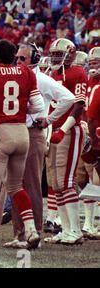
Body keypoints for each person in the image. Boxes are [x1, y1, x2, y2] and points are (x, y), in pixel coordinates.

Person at [3, 43, 75, 248]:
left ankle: (34, 233)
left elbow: (68, 98)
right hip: (17, 131)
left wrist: (49, 119)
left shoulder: (41, 79)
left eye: (22, 59)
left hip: (33, 133)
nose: (17, 62)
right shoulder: (17, 76)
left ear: (33, 59)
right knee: (15, 184)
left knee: (32, 183)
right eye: (16, 58)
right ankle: (20, 234)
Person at [0, 39, 44, 250]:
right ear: (14, 56)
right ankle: (30, 229)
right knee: (16, 186)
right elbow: (39, 107)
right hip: (22, 132)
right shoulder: (27, 73)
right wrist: (20, 111)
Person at [44, 38, 89, 245]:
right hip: (55, 130)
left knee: (68, 181)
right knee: (57, 183)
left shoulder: (78, 72)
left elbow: (78, 105)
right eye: (52, 54)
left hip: (70, 130)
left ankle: (76, 230)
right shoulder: (52, 74)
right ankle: (66, 228)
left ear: (70, 54)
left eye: (57, 54)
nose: (54, 57)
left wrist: (63, 128)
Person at [82, 47, 100, 239]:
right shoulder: (89, 82)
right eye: (91, 63)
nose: (93, 67)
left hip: (97, 133)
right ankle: (88, 223)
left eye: (96, 63)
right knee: (89, 178)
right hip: (90, 132)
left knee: (97, 179)